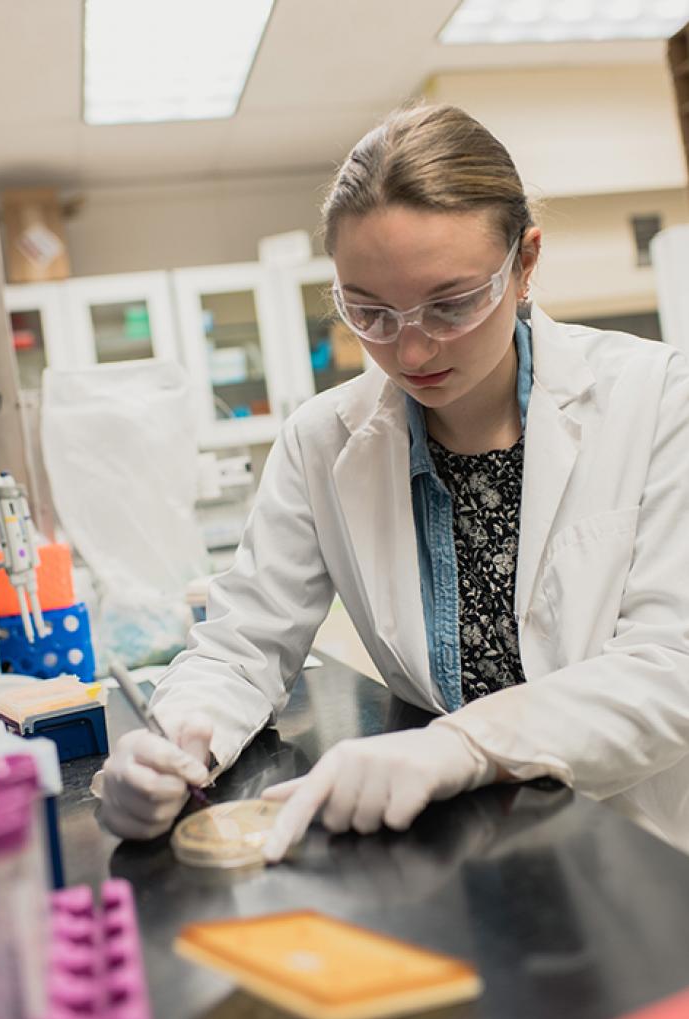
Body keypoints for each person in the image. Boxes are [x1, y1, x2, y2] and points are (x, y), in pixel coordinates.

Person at [97, 103, 689, 860]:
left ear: (526, 263)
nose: (411, 349)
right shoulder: (323, 442)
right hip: (458, 852)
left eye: (451, 304)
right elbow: (241, 647)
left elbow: (669, 666)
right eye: (368, 312)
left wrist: (462, 746)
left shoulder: (658, 398)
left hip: (641, 851)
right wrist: (178, 740)